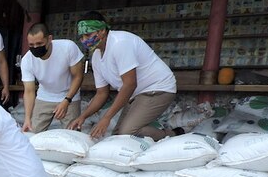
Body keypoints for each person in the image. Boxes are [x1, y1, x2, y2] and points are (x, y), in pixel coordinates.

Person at [68, 11, 183, 140]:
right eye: (81, 37)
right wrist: (82, 117)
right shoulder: (96, 57)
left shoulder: (120, 43)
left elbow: (130, 84)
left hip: (158, 89)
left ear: (101, 31)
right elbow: (101, 93)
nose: (84, 40)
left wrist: (106, 118)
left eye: (88, 35)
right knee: (117, 136)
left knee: (127, 133)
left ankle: (173, 135)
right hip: (136, 95)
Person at [21, 23, 84, 133]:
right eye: (31, 45)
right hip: (45, 95)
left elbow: (78, 76)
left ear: (49, 39)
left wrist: (67, 100)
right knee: (33, 131)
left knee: (72, 135)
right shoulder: (27, 60)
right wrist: (27, 118)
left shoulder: (68, 47)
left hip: (69, 95)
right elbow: (29, 91)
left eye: (39, 43)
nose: (35, 47)